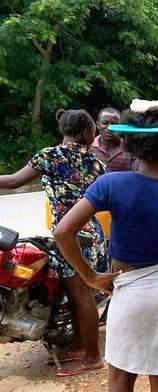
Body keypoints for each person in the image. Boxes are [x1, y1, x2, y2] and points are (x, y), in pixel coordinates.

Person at [54, 103, 158, 392]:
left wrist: (91, 276)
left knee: (121, 378)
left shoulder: (111, 183)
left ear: (133, 145)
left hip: (128, 292)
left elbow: (62, 232)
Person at [0, 109, 107, 376]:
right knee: (75, 293)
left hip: (69, 234)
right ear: (86, 132)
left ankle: (93, 357)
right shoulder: (96, 163)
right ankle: (81, 346)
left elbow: (13, 181)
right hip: (87, 232)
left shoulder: (49, 156)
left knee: (81, 295)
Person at [90, 107, 136, 172]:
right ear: (97, 125)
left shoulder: (129, 149)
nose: (110, 128)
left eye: (114, 124)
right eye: (105, 123)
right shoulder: (89, 148)